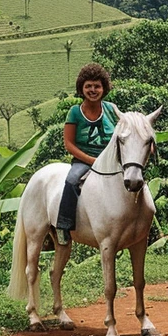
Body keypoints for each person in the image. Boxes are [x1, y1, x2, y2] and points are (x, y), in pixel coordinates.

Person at [56, 63, 122, 245]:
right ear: (81, 88)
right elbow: (68, 144)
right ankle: (64, 226)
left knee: (134, 180)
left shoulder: (111, 109)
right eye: (88, 86)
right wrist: (92, 160)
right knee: (71, 181)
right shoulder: (75, 112)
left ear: (104, 88)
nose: (93, 90)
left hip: (111, 160)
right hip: (84, 161)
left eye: (97, 86)